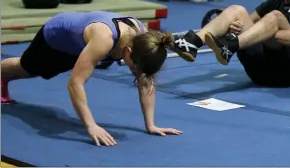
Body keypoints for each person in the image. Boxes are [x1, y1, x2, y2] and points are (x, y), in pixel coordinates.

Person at [0, 11, 181, 146]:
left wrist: (151, 125)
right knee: (28, 69)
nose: (136, 73)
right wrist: (91, 125)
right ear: (127, 52)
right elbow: (75, 83)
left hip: (77, 45)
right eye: (135, 68)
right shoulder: (105, 38)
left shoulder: (145, 41)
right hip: (55, 37)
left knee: (42, 71)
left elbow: (145, 80)